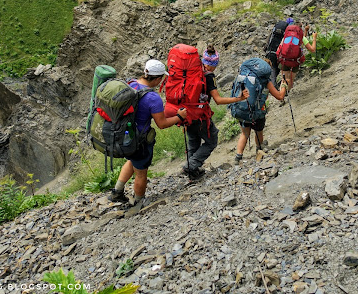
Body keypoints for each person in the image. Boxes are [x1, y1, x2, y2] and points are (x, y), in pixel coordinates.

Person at [108, 59, 187, 206]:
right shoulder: (153, 98)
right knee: (141, 172)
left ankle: (117, 191)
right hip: (139, 140)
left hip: (123, 135)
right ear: (157, 78)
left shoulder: (130, 83)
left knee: (132, 160)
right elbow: (162, 124)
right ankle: (138, 202)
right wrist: (179, 117)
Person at [182, 45, 249, 179]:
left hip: (185, 113)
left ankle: (192, 172)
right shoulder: (208, 76)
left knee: (193, 141)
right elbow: (218, 100)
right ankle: (191, 165)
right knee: (212, 140)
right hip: (200, 115)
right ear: (213, 64)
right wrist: (239, 98)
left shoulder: (191, 72)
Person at [234, 65, 287, 163]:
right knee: (259, 131)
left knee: (244, 134)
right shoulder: (265, 81)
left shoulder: (245, 78)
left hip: (243, 111)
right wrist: (283, 85)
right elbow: (280, 96)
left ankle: (238, 157)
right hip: (258, 113)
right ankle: (259, 149)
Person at [279, 21, 317, 91]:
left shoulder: (287, 36)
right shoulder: (302, 38)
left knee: (284, 79)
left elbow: (280, 48)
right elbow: (312, 50)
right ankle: (288, 92)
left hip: (285, 60)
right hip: (295, 61)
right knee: (291, 79)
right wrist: (314, 38)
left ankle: (282, 95)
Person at [265, 17, 293, 88]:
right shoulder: (287, 33)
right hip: (278, 54)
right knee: (276, 69)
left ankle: (271, 85)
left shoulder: (273, 32)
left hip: (270, 52)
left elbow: (267, 41)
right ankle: (274, 86)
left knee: (272, 69)